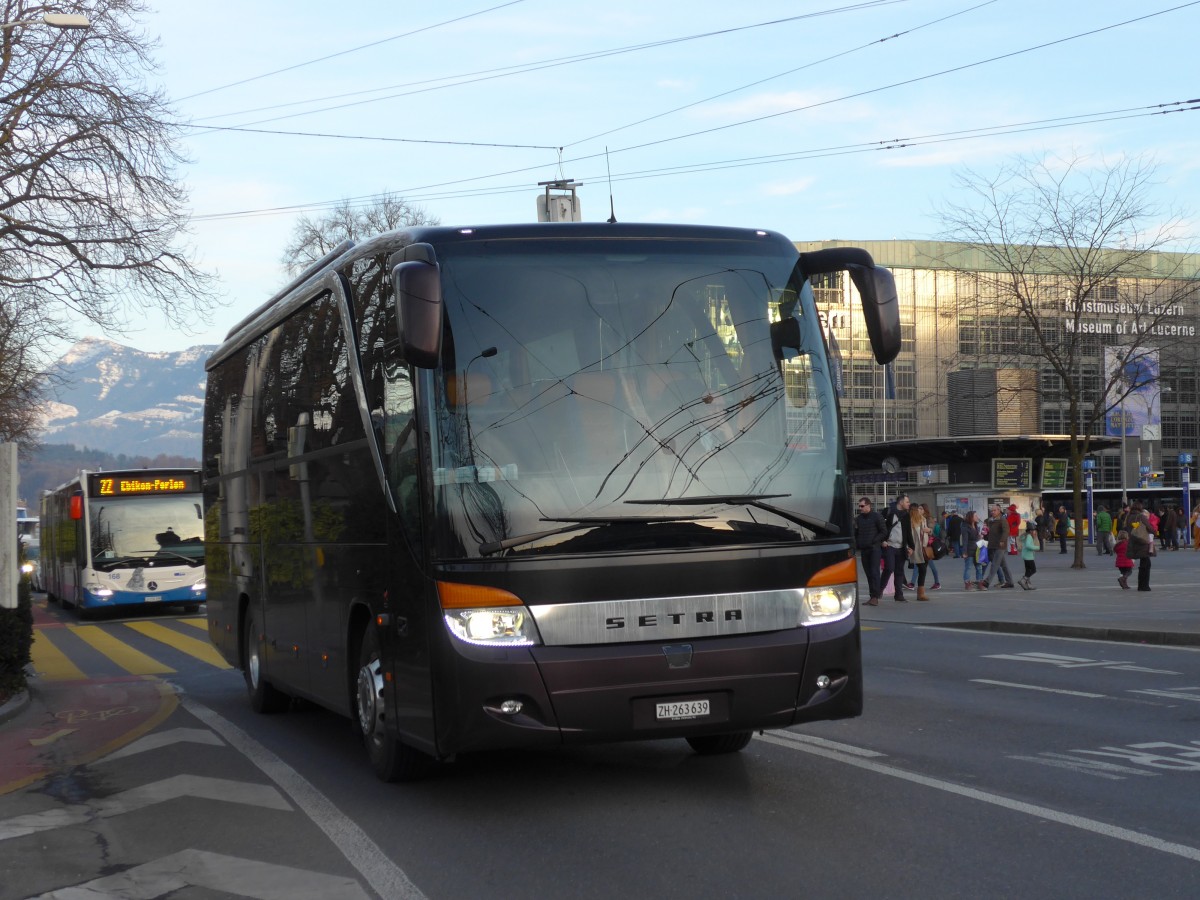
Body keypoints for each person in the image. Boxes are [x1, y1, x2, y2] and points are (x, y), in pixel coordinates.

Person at [881, 493, 914, 602]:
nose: (909, 504)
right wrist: (882, 540)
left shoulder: (906, 515)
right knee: (889, 568)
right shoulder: (888, 512)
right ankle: (879, 591)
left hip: (901, 547)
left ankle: (899, 595)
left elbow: (908, 532)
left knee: (899, 571)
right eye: (907, 502)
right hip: (889, 545)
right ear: (901, 502)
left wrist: (911, 546)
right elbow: (881, 527)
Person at [854, 497, 886, 606]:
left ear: (868, 505)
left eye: (862, 506)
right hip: (864, 549)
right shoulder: (859, 519)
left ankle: (875, 596)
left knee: (874, 572)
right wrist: (858, 543)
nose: (860, 508)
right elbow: (856, 533)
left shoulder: (877, 516)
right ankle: (872, 595)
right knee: (868, 574)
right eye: (859, 506)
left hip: (874, 549)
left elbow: (883, 531)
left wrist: (874, 541)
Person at [979, 503, 1014, 590]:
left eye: (994, 510)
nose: (993, 512)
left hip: (1000, 546)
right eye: (992, 511)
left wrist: (1002, 540)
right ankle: (1010, 582)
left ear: (999, 511)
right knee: (1004, 565)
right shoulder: (991, 520)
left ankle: (987, 582)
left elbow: (1006, 531)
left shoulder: (1002, 520)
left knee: (995, 564)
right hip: (993, 545)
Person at [1125, 500, 1155, 592]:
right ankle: (1144, 586)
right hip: (1143, 542)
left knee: (1143, 564)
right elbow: (1150, 528)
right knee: (1146, 564)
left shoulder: (1129, 517)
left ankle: (1141, 585)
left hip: (1134, 541)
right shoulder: (1141, 516)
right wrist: (1153, 531)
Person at [908, 502, 932, 600]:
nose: (919, 510)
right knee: (922, 568)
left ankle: (921, 593)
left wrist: (929, 530)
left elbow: (928, 531)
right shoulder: (910, 521)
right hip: (916, 548)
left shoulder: (923, 519)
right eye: (918, 509)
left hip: (924, 547)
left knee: (923, 569)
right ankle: (920, 593)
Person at [1018, 521, 1039, 589]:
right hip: (1029, 556)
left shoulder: (1026, 535)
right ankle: (1023, 580)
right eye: (1034, 530)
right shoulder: (1029, 536)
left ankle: (1028, 584)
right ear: (1031, 530)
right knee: (1033, 570)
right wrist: (1037, 547)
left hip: (1025, 555)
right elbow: (1028, 545)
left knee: (1028, 570)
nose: (1035, 532)